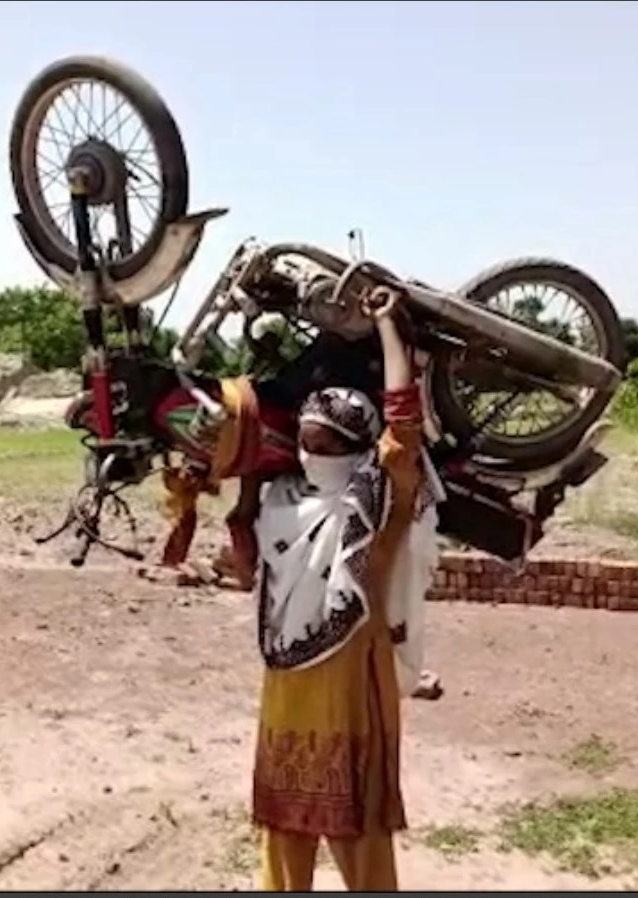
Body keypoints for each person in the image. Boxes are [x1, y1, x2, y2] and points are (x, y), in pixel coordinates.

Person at [231, 286, 442, 892]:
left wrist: (387, 329)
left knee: (360, 830)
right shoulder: (281, 503)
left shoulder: (375, 500)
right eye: (306, 441)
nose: (313, 453)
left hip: (354, 684)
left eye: (330, 444)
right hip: (288, 693)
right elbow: (248, 466)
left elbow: (402, 421)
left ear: (359, 449)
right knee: (282, 829)